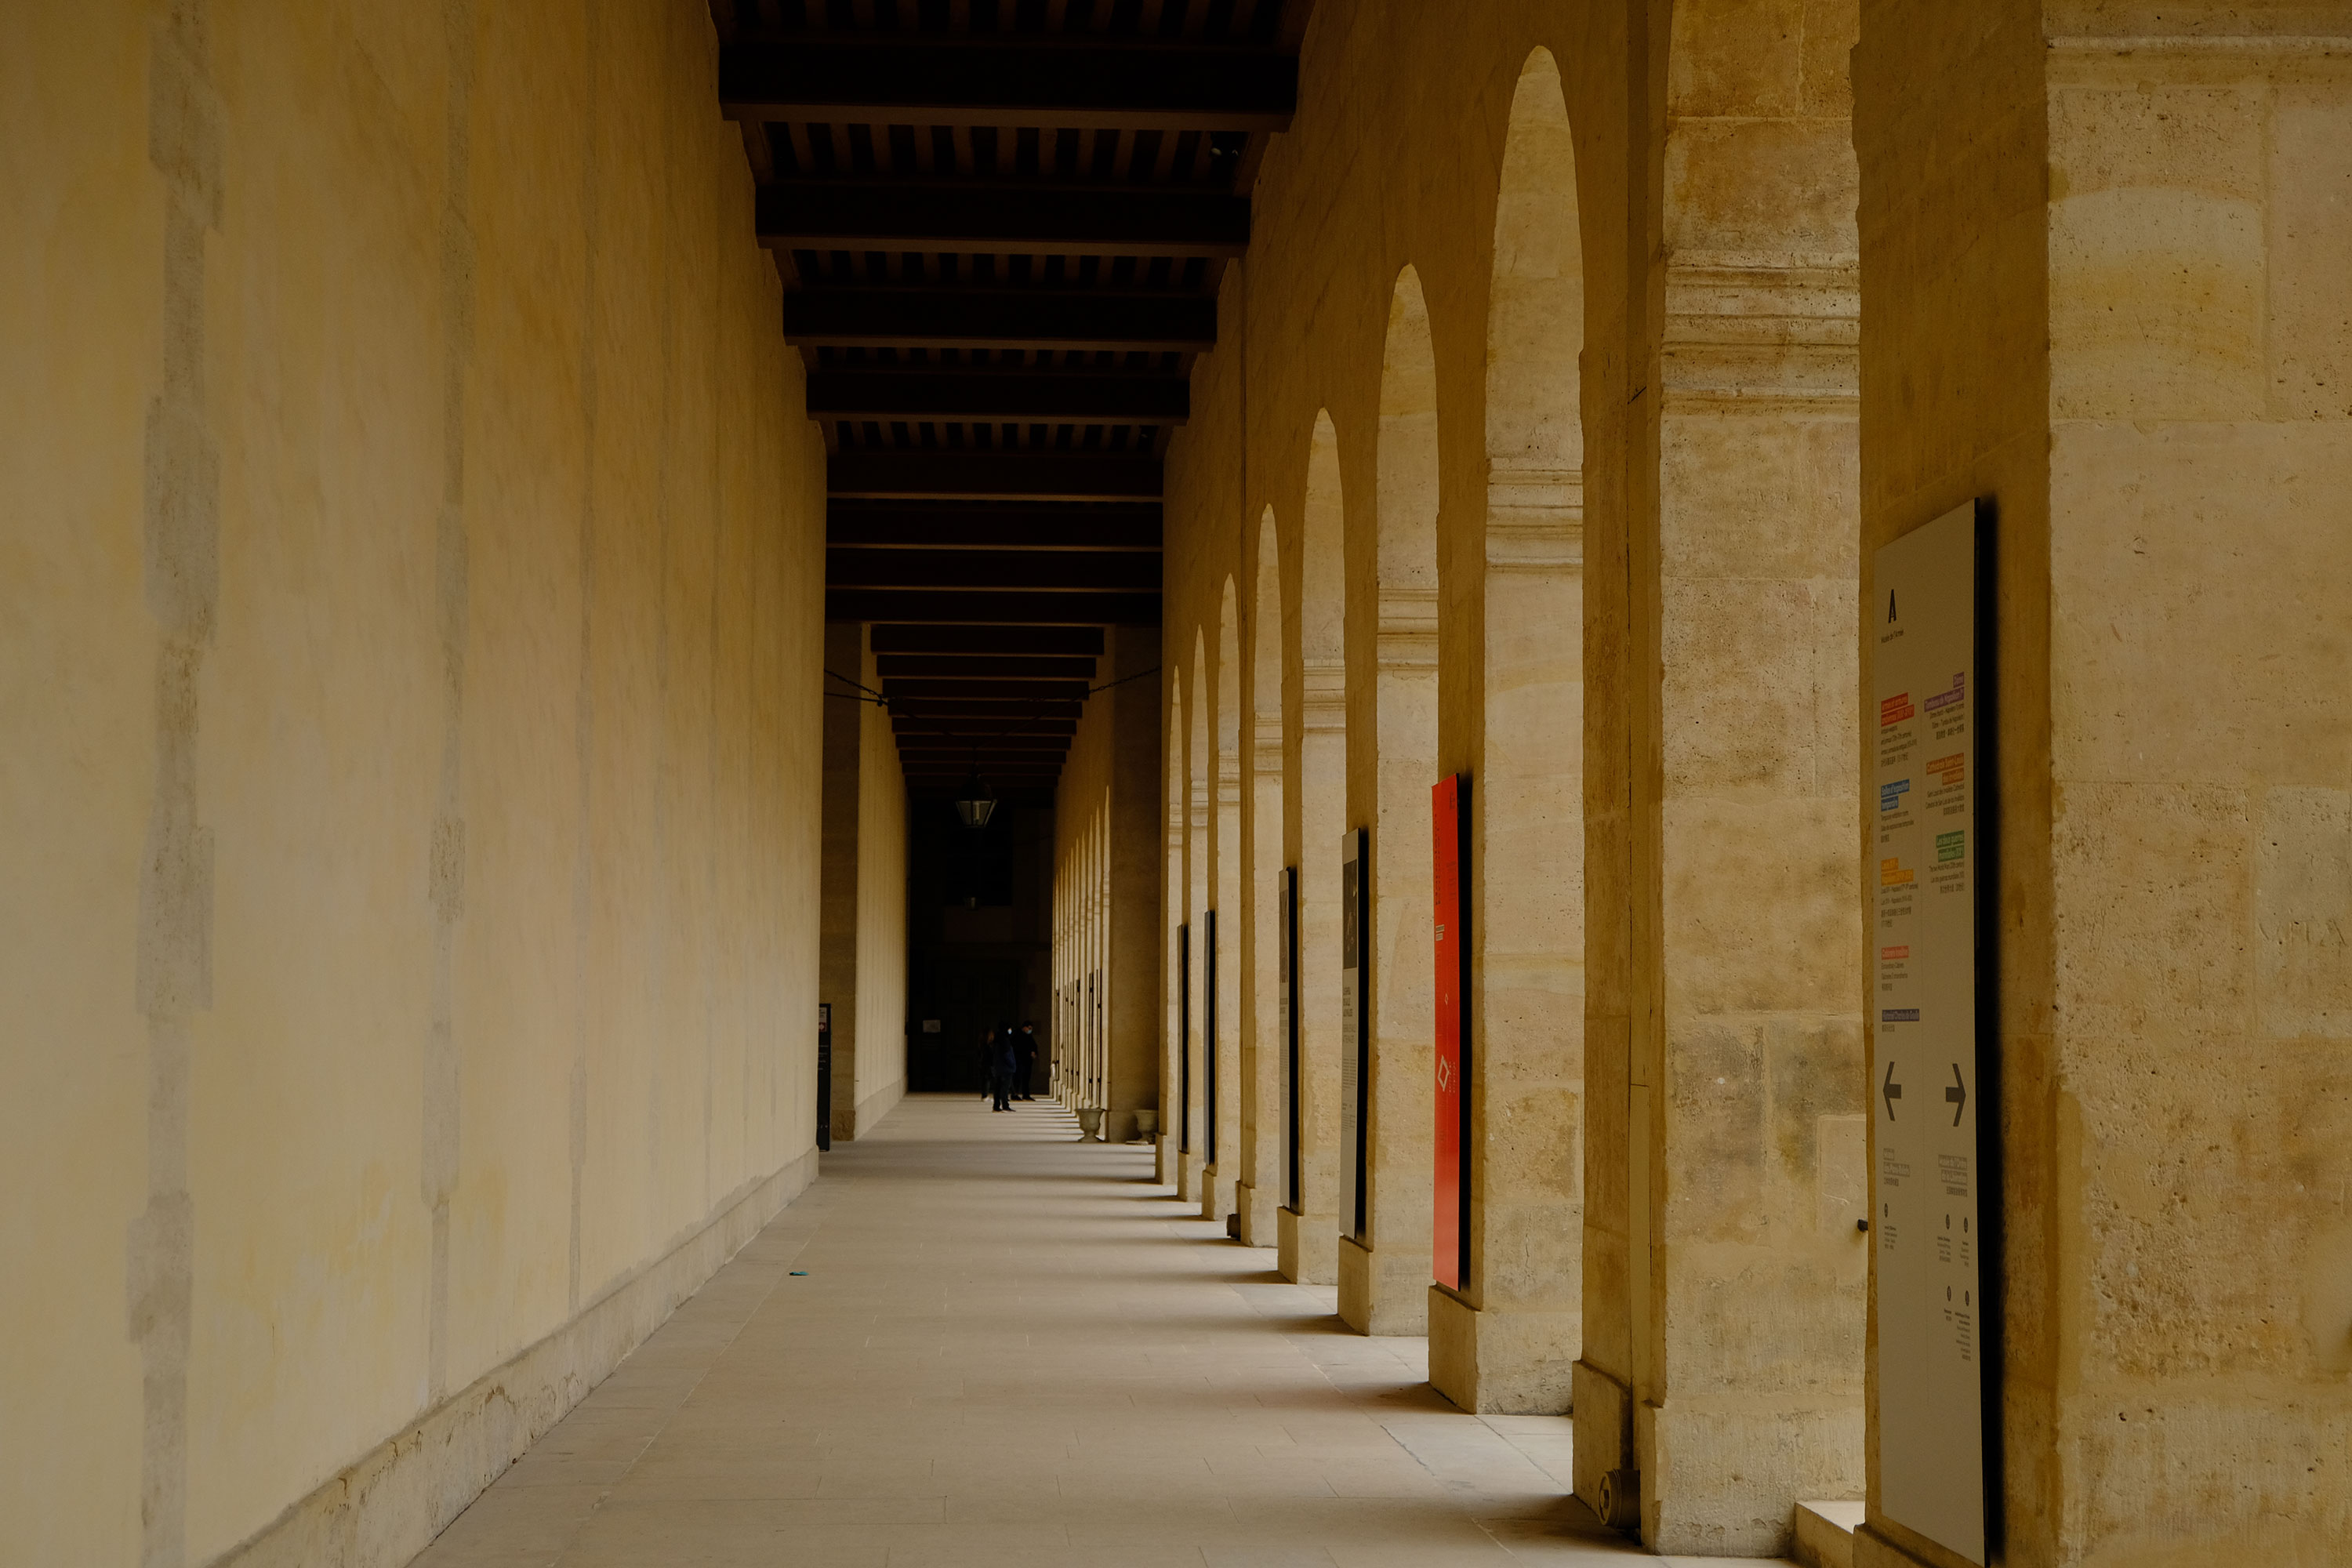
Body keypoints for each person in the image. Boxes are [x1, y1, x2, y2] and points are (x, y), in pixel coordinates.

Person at [989, 1022, 1018, 1112]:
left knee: (998, 1088)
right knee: (1005, 1088)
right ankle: (1005, 1105)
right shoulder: (1005, 1040)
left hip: (998, 1067)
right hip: (1006, 1068)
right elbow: (1007, 1055)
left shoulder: (996, 1039)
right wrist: (1012, 1064)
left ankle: (996, 1106)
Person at [1012, 1022, 1039, 1102]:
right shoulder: (1017, 1035)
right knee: (1017, 1078)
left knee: (1026, 1079)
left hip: (1027, 1061)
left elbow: (1034, 1045)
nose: (1030, 1030)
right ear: (1024, 1027)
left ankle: (1026, 1095)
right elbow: (1018, 1047)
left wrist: (1035, 1052)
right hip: (1019, 1060)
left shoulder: (1029, 1036)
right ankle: (1015, 1094)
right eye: (1029, 1028)